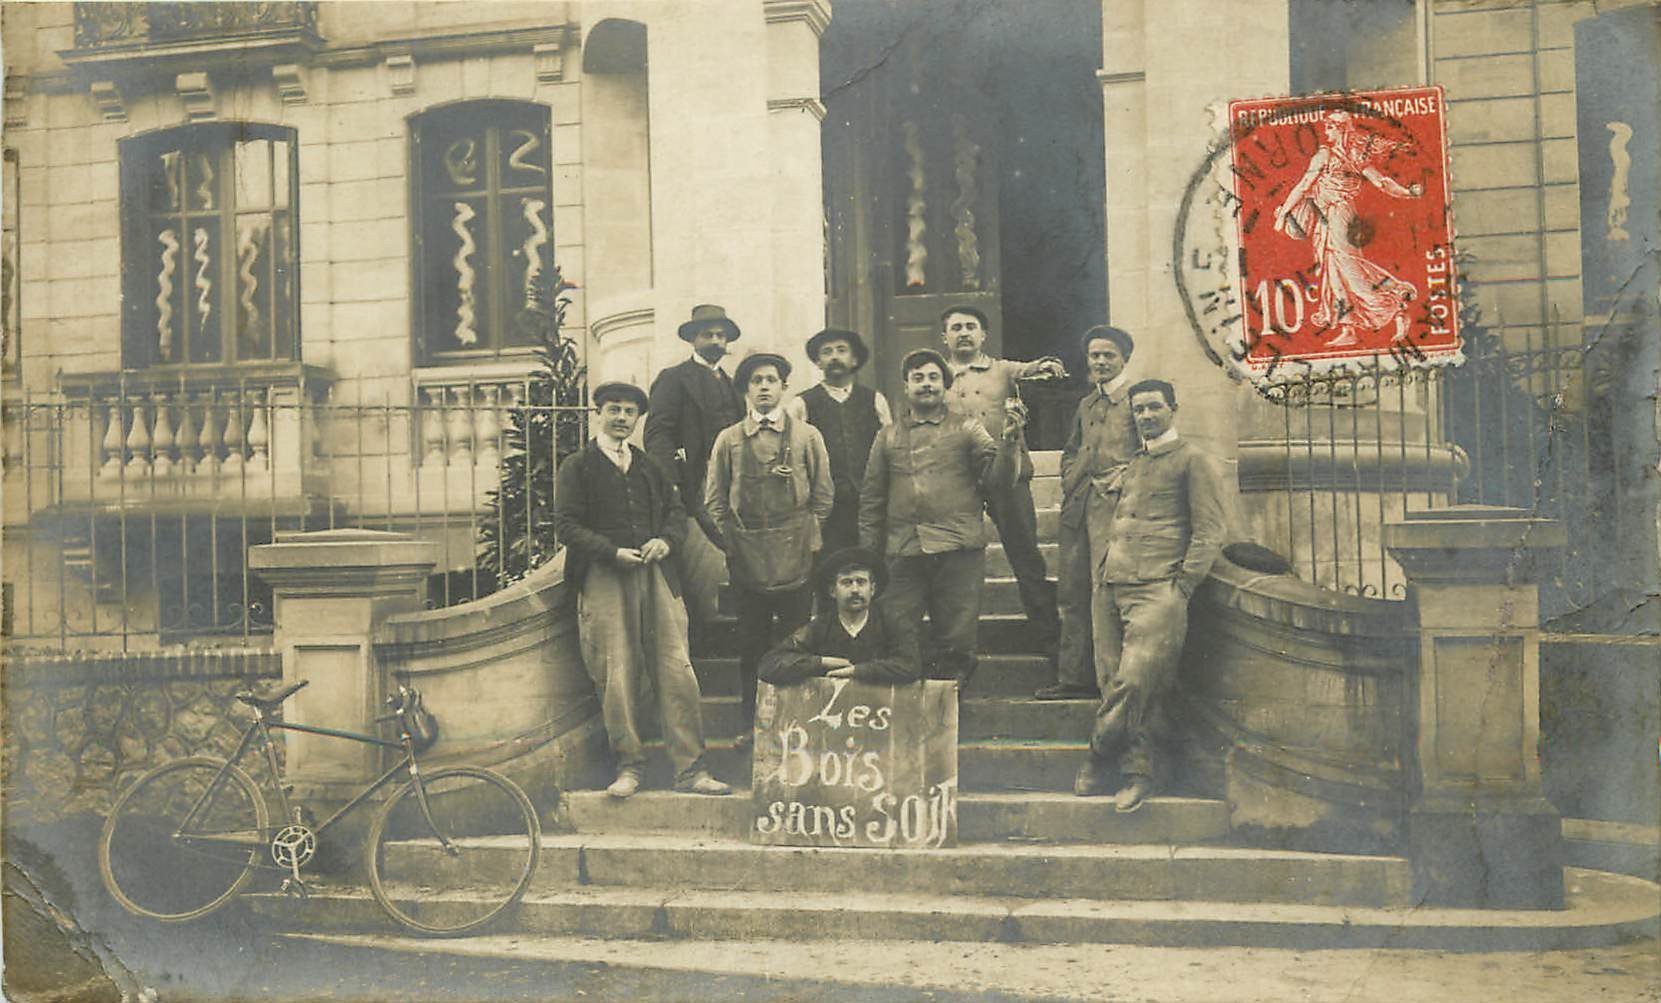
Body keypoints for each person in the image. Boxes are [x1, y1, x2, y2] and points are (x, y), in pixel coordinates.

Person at [552, 381, 732, 799]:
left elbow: (675, 512)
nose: (621, 418)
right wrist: (611, 551)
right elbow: (567, 524)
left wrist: (665, 541)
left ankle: (691, 769)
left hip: (655, 574)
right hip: (604, 577)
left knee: (676, 668)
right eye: (613, 409)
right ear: (598, 412)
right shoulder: (577, 466)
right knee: (616, 671)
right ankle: (629, 765)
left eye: (629, 412)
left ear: (638, 419)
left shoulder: (649, 466)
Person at [1075, 379, 1227, 813]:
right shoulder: (1136, 461)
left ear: (1173, 409)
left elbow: (1210, 530)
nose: (1145, 416)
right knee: (1114, 682)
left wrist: (1182, 586)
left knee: (1135, 680)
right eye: (1138, 410)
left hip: (1159, 587)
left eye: (1154, 408)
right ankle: (1135, 772)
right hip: (1112, 585)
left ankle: (1100, 752)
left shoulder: (1192, 460)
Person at [859, 348, 1021, 687]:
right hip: (903, 551)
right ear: (906, 386)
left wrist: (1010, 442)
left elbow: (997, 481)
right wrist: (870, 556)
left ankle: (947, 717)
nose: (926, 384)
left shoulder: (968, 429)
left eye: (934, 377)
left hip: (958, 549)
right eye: (918, 378)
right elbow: (872, 499)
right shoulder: (886, 436)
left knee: (957, 640)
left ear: (945, 386)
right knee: (897, 632)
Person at [704, 352, 835, 744]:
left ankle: (799, 725)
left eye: (771, 380)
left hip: (796, 555)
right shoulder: (728, 440)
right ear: (745, 390)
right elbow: (715, 501)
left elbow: (824, 496)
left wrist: (806, 537)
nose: (764, 387)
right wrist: (735, 544)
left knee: (798, 643)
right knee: (752, 647)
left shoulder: (807, 436)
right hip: (748, 559)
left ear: (783, 387)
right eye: (756, 381)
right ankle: (754, 726)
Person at [938, 305, 1065, 666]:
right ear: (944, 337)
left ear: (983, 336)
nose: (964, 333)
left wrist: (1048, 365)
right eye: (956, 327)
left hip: (1006, 474)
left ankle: (1048, 636)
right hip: (958, 480)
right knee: (955, 561)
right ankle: (954, 645)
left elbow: (1037, 368)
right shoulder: (937, 376)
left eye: (971, 327)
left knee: (1026, 555)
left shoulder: (1004, 370)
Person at [1036, 325, 1140, 701]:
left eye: (1108, 355)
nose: (1099, 362)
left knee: (1107, 594)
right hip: (1078, 506)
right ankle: (1075, 677)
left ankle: (1112, 681)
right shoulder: (1087, 404)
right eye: (1094, 355)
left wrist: (1123, 482)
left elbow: (1148, 454)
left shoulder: (1136, 400)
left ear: (1124, 358)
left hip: (1116, 510)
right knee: (1073, 591)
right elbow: (1070, 450)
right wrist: (1069, 478)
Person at [1273, 109, 1424, 348]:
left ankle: (1396, 306)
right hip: (1327, 215)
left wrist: (1406, 193)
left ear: (1341, 129)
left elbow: (1380, 181)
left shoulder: (1339, 155)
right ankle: (1348, 327)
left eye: (1331, 127)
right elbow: (1305, 187)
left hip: (1339, 214)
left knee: (1349, 268)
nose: (1327, 131)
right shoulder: (1340, 155)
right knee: (1333, 271)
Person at [645, 304, 745, 623]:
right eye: (708, 335)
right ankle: (709, 621)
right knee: (704, 555)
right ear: (693, 340)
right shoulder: (675, 379)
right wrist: (670, 481)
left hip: (735, 478)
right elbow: (658, 433)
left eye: (721, 336)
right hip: (696, 480)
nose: (716, 341)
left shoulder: (733, 384)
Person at [791, 328, 892, 557]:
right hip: (823, 508)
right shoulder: (802, 404)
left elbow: (889, 450)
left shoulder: (875, 400)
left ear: (854, 359)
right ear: (818, 361)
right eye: (826, 352)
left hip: (868, 503)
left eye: (841, 350)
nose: (834, 357)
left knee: (868, 562)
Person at [757, 547, 919, 686]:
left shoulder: (892, 622)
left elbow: (910, 665)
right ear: (833, 591)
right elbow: (770, 665)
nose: (855, 590)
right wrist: (823, 662)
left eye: (861, 582)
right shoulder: (820, 627)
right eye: (846, 582)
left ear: (872, 589)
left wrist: (858, 671)